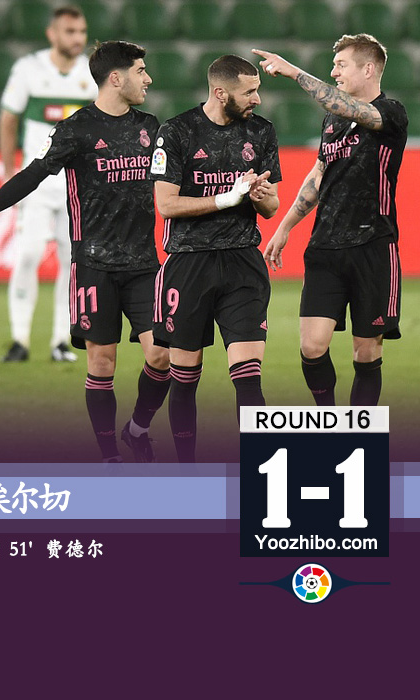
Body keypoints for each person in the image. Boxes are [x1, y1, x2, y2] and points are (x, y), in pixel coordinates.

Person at [0, 41, 171, 466]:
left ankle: (137, 428)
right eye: (141, 70)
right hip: (93, 264)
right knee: (102, 361)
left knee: (162, 356)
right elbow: (34, 174)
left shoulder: (151, 126)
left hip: (144, 265)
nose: (148, 79)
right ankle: (109, 457)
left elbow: (177, 180)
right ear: (116, 78)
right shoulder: (76, 129)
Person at [253, 34, 407, 408]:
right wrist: (285, 226)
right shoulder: (332, 121)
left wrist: (294, 73)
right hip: (325, 246)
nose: (333, 71)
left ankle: (358, 429)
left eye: (341, 65)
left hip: (373, 246)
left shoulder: (390, 113)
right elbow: (319, 175)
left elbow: (344, 104)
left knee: (366, 352)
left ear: (368, 69)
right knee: (311, 347)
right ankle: (329, 418)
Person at [151, 54, 280, 463]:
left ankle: (258, 471)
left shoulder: (261, 132)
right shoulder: (176, 132)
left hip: (243, 263)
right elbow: (166, 206)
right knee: (185, 377)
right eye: (250, 91)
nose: (257, 99)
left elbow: (272, 207)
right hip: (189, 264)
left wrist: (260, 196)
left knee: (248, 375)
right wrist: (227, 198)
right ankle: (186, 470)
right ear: (221, 93)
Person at [0, 4, 97, 363]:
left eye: (81, 32)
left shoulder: (91, 73)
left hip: (75, 187)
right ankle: (19, 339)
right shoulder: (28, 68)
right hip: (36, 185)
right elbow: (8, 120)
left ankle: (60, 340)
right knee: (27, 255)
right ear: (52, 34)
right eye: (70, 31)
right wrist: (9, 172)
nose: (78, 38)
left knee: (71, 262)